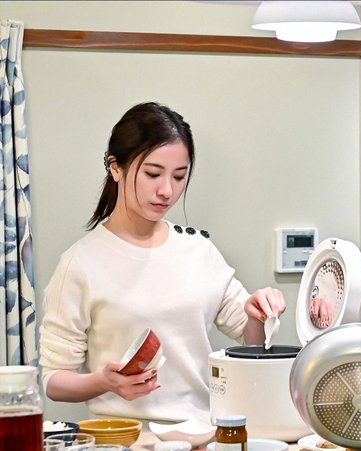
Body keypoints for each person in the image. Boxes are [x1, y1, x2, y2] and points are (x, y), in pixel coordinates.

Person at [39, 102, 286, 423]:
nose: (167, 190)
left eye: (179, 176)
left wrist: (257, 313)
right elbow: (54, 380)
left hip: (200, 433)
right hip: (124, 438)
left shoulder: (199, 251)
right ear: (116, 168)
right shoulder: (81, 263)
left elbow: (252, 342)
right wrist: (104, 381)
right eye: (153, 174)